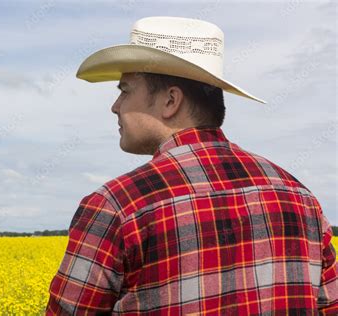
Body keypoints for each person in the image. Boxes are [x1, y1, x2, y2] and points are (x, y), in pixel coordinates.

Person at [45, 16, 337, 315]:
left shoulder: (116, 207)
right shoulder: (300, 198)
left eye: (125, 90)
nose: (115, 106)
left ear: (171, 101)